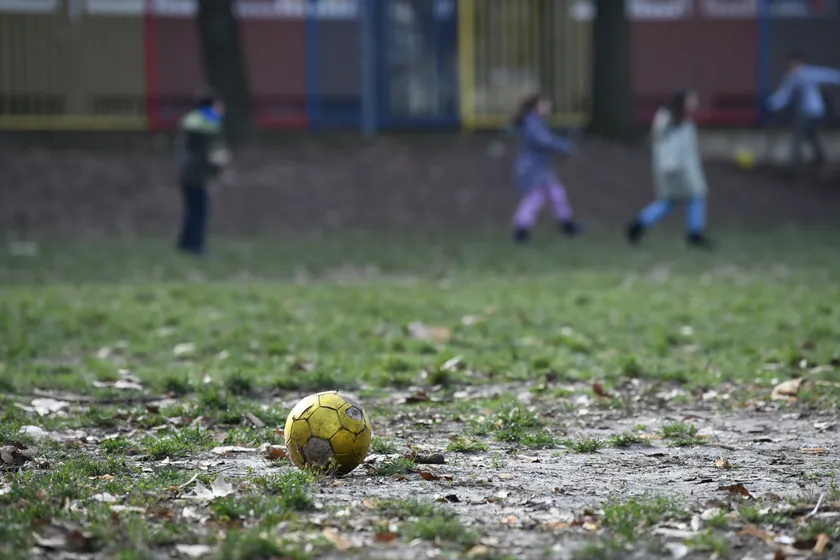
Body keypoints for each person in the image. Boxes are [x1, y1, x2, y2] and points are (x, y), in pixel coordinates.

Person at [625, 89, 713, 249]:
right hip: (678, 170)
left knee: (670, 202)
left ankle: (638, 225)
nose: (694, 103)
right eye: (691, 99)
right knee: (695, 196)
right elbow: (671, 146)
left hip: (674, 169)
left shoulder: (675, 121)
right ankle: (695, 233)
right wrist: (672, 164)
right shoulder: (673, 122)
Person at [511, 93, 581, 243]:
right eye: (545, 104)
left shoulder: (536, 121)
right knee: (534, 198)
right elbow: (544, 141)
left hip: (540, 168)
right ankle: (521, 230)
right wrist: (565, 146)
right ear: (536, 106)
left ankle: (567, 225)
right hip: (533, 169)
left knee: (557, 194)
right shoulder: (532, 123)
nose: (548, 107)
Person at [766, 50, 840, 172]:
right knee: (811, 135)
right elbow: (784, 95)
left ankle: (793, 162)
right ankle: (819, 158)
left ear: (799, 62)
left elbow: (828, 75)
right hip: (804, 111)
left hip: (812, 110)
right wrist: (772, 104)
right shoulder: (791, 77)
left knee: (798, 134)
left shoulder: (808, 73)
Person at [176, 89, 228, 256]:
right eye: (219, 105)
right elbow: (211, 151)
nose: (221, 109)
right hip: (196, 173)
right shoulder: (207, 123)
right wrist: (219, 165)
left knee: (192, 209)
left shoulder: (193, 119)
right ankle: (197, 247)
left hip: (187, 171)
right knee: (199, 211)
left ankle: (185, 243)